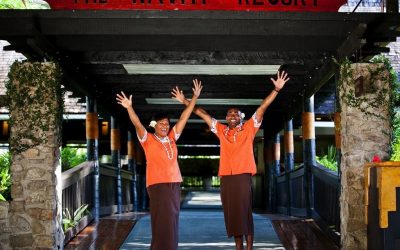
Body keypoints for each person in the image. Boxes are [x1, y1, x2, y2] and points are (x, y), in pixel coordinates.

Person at [173, 71, 289, 250]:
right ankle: (238, 247)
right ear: (226, 118)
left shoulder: (249, 128)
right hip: (226, 178)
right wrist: (184, 101)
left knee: (244, 212)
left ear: (241, 117)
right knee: (232, 214)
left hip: (242, 176)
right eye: (229, 113)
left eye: (236, 113)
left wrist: (276, 90)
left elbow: (262, 107)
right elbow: (202, 114)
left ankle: (249, 247)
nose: (232, 115)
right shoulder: (221, 130)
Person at [116, 80, 202, 250]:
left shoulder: (172, 138)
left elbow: (185, 116)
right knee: (163, 219)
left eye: (167, 123)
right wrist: (129, 108)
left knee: (172, 219)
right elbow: (137, 124)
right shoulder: (148, 139)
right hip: (158, 184)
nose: (165, 126)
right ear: (154, 125)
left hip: (174, 184)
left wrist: (194, 97)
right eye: (161, 123)